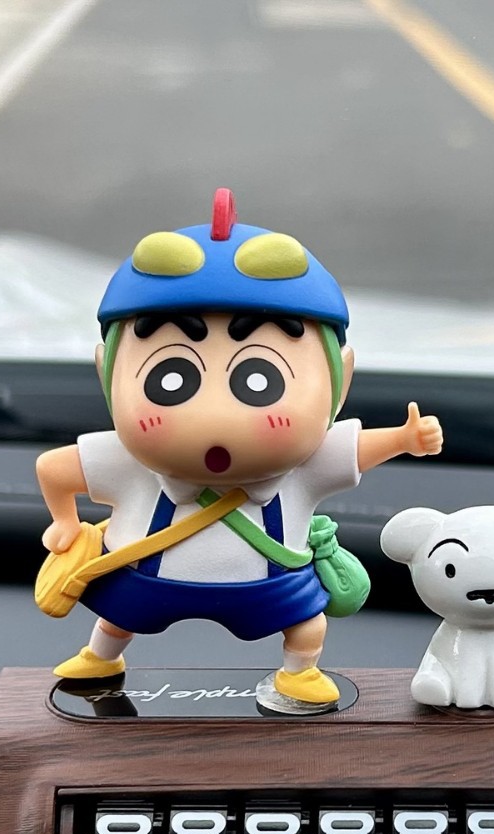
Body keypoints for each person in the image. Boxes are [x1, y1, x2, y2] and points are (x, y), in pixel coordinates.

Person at [35, 188, 443, 704]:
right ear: (107, 376)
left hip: (269, 584)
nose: (214, 416)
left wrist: (404, 438)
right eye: (170, 379)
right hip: (144, 578)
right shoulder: (126, 460)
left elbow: (356, 447)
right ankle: (102, 657)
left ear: (339, 386)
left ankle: (298, 673)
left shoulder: (307, 463)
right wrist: (64, 522)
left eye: (259, 380)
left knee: (306, 624)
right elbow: (55, 469)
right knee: (116, 619)